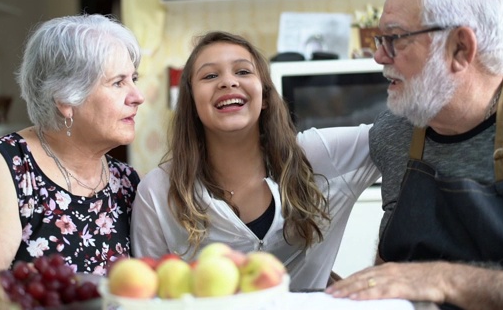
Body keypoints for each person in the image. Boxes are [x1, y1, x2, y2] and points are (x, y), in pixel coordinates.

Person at [326, 0, 503, 309]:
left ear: (460, 48)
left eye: (394, 39)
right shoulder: (395, 132)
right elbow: (394, 269)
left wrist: (444, 278)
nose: (379, 57)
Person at [130, 30, 380, 291]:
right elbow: (148, 297)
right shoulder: (157, 193)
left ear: (265, 97)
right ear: (191, 102)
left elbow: (402, 131)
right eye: (210, 75)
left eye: (242, 72)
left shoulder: (319, 155)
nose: (228, 82)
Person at [0, 14, 145, 275]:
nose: (137, 96)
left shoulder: (126, 181)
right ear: (66, 99)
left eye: (134, 79)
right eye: (118, 82)